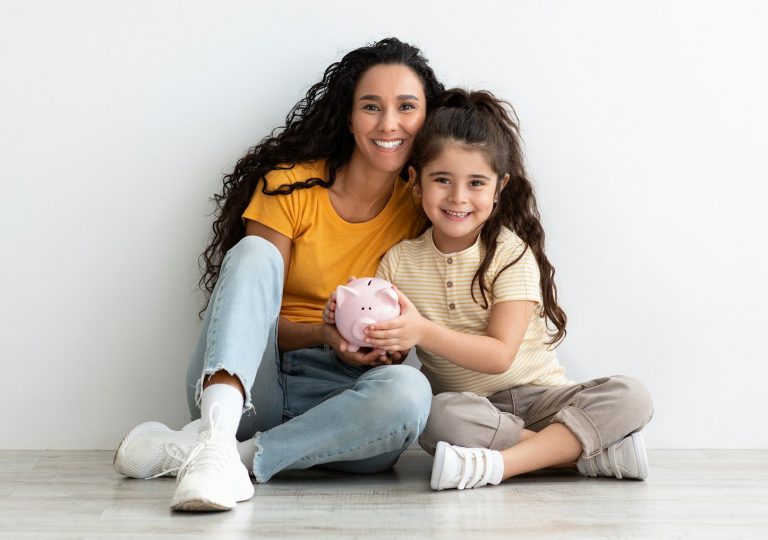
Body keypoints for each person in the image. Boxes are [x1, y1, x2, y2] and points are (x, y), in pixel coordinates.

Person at [113, 37, 445, 511]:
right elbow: (250, 316)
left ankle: (221, 455)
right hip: (251, 383)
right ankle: (222, 433)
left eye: (406, 107)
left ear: (426, 117)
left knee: (411, 391)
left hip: (339, 405)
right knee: (252, 254)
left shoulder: (425, 209)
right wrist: (323, 334)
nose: (389, 124)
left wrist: (379, 349)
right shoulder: (289, 185)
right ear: (349, 117)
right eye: (371, 106)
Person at [343, 88, 654, 491]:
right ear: (415, 180)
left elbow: (500, 356)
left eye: (476, 183)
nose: (458, 197)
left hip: (543, 401)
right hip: (475, 411)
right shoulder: (399, 261)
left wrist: (422, 331)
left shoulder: (509, 253)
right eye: (442, 180)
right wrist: (381, 341)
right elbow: (397, 351)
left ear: (499, 187)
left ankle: (500, 465)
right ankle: (583, 457)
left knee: (633, 395)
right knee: (434, 416)